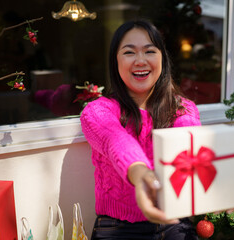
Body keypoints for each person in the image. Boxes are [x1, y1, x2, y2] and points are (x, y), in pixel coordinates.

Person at [80, 19, 201, 239]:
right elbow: (116, 142)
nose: (140, 60)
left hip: (173, 223)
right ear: (115, 61)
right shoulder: (97, 111)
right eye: (129, 52)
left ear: (162, 58)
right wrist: (143, 175)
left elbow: (188, 143)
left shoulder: (183, 109)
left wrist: (212, 177)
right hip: (117, 228)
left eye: (149, 51)